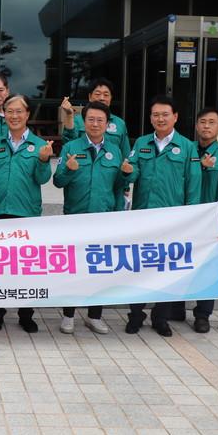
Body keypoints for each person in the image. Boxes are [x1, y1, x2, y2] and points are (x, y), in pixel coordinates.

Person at [121, 95, 201, 337]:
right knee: (139, 268)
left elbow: (194, 184)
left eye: (165, 114)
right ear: (150, 118)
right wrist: (128, 171)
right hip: (143, 217)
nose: (160, 119)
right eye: (155, 115)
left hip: (172, 220)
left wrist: (191, 217)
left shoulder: (187, 147)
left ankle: (161, 317)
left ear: (175, 117)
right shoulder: (141, 143)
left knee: (166, 270)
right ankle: (136, 315)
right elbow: (132, 173)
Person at [53, 101, 125, 335]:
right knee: (73, 269)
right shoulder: (71, 147)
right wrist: (69, 169)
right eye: (91, 119)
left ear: (107, 123)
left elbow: (119, 187)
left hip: (104, 220)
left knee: (100, 270)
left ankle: (95, 316)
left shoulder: (115, 150)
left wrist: (118, 215)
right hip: (75, 219)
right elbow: (58, 181)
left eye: (100, 120)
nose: (95, 124)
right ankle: (68, 315)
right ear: (83, 122)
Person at [0, 94, 53, 333]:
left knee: (26, 268)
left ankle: (26, 315)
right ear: (4, 114)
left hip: (26, 215)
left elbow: (42, 178)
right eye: (10, 111)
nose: (14, 116)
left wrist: (43, 160)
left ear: (27, 114)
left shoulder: (39, 145)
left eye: (19, 111)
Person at [170, 107, 218, 333]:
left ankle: (202, 315)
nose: (206, 126)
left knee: (206, 268)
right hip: (184, 217)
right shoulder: (185, 149)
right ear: (196, 125)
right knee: (178, 262)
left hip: (208, 221)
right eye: (203, 122)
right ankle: (176, 307)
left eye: (212, 122)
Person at [61, 78, 130, 158]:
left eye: (106, 95)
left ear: (111, 98)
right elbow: (68, 142)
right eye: (97, 94)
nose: (102, 98)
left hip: (111, 165)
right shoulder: (78, 120)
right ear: (90, 97)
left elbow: (125, 154)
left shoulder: (120, 123)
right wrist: (69, 115)